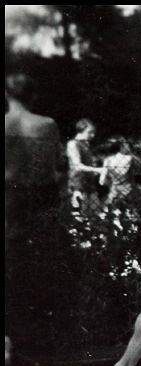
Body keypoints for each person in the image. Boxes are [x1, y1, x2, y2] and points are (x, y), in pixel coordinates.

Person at [5, 74, 62, 245]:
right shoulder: (48, 125)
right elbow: (57, 163)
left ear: (6, 95)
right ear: (34, 96)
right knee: (40, 252)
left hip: (10, 197)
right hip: (43, 196)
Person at [67, 118, 105, 219]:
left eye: (94, 132)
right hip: (78, 184)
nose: (93, 136)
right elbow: (77, 165)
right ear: (81, 129)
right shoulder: (72, 144)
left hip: (90, 184)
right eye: (90, 132)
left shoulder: (86, 144)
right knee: (78, 216)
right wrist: (97, 170)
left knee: (94, 215)